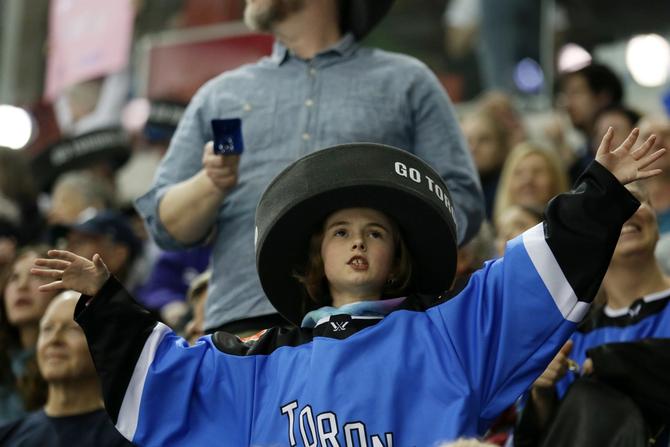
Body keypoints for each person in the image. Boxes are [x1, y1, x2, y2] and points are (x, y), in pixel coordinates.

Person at [32, 129, 664, 445]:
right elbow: (169, 383)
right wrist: (106, 305)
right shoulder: (258, 360)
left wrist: (600, 194)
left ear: (397, 260)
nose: (357, 242)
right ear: (316, 260)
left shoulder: (449, 334)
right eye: (339, 232)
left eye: (374, 232)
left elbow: (530, 279)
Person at [135, 0, 485, 334]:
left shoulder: (407, 81)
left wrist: (392, 254)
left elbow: (460, 200)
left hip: (372, 328)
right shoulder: (219, 93)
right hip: (245, 326)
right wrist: (212, 183)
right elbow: (164, 226)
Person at [515, 181, 670, 446]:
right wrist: (542, 394)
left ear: (655, 217)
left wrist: (610, 363)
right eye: (608, 207)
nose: (625, 211)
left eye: (636, 200)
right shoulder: (568, 338)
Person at [0, 291, 134, 446]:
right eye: (47, 329)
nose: (54, 339)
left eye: (73, 328)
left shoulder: (129, 437)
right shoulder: (8, 438)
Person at [0, 246, 56, 424]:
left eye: (36, 275)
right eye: (14, 277)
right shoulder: (5, 363)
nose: (22, 286)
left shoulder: (71, 362)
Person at [492, 142, 569, 223]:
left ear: (555, 179)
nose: (527, 180)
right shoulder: (493, 233)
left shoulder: (573, 231)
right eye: (519, 173)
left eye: (537, 171)